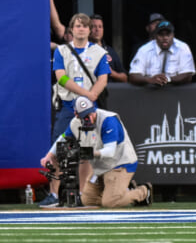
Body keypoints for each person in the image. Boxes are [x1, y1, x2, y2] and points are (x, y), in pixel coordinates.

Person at [40, 13, 111, 207]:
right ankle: (54, 194)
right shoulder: (62, 50)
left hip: (90, 109)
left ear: (89, 30)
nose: (81, 29)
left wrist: (92, 96)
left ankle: (81, 193)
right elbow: (61, 77)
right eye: (77, 26)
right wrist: (84, 94)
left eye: (84, 26)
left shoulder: (99, 52)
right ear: (71, 29)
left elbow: (103, 78)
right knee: (58, 149)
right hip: (69, 105)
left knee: (85, 152)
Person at [40, 96, 153, 208]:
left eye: (90, 113)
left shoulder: (108, 120)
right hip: (99, 167)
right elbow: (62, 138)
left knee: (110, 202)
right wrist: (48, 156)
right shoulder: (75, 123)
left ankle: (143, 191)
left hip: (119, 163)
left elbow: (110, 152)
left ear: (93, 109)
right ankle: (123, 190)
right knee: (87, 201)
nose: (89, 117)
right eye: (85, 116)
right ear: (77, 115)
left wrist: (86, 152)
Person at [129, 20, 195, 86]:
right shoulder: (144, 49)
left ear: (173, 35)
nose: (165, 38)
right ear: (155, 36)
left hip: (176, 93)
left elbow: (188, 76)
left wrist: (167, 79)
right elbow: (133, 76)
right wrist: (150, 80)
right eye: (161, 35)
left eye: (168, 34)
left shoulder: (182, 47)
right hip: (150, 92)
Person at [90, 14, 128, 83]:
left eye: (100, 27)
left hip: (109, 92)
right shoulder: (81, 50)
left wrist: (112, 73)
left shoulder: (110, 51)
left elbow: (125, 78)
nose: (97, 29)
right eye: (94, 27)